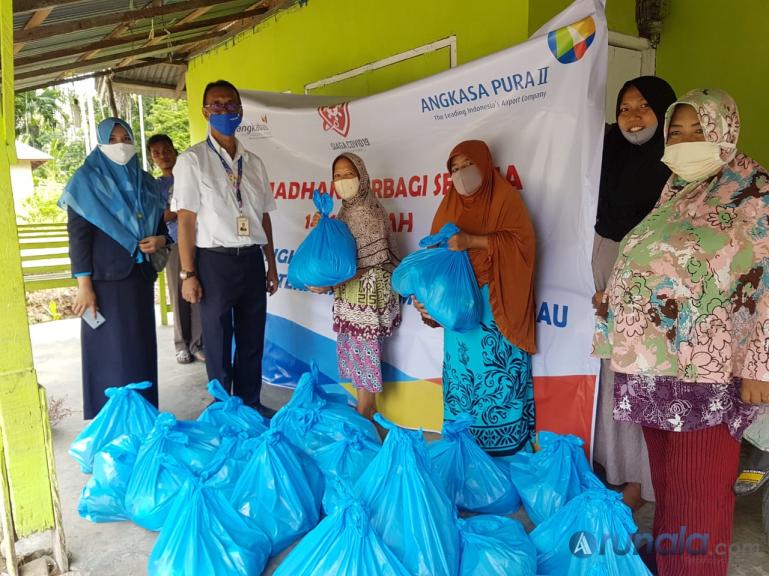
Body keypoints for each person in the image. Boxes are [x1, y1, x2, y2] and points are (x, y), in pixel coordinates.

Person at [594, 88, 769, 575]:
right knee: (669, 486)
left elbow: (767, 282)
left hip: (709, 369)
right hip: (657, 364)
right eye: (678, 131)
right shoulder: (676, 188)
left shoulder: (753, 191)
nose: (686, 141)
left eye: (699, 130)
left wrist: (762, 366)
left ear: (725, 131)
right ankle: (674, 564)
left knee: (700, 494)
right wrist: (618, 300)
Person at [414, 140, 537, 456]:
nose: (460, 174)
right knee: (462, 378)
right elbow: (433, 264)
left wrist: (473, 241)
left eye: (467, 165)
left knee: (497, 378)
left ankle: (505, 457)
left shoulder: (505, 199)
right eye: (454, 169)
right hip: (457, 313)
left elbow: (521, 244)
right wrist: (426, 301)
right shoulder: (448, 206)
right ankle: (463, 453)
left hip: (495, 304)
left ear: (484, 164)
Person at [592, 76, 676, 511]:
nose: (633, 115)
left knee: (649, 383)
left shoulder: (680, 174)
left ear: (664, 113)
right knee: (616, 379)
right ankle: (622, 471)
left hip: (658, 295)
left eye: (644, 106)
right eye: (625, 107)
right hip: (610, 273)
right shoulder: (610, 156)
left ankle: (646, 483)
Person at [172, 80, 279, 418]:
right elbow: (186, 222)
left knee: (252, 338)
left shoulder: (256, 163)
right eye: (215, 105)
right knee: (217, 341)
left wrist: (271, 265)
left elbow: (263, 217)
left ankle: (250, 403)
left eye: (230, 104)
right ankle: (222, 409)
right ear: (205, 111)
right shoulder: (193, 161)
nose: (223, 111)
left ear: (240, 110)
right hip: (213, 263)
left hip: (249, 260)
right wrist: (188, 273)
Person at [60, 117, 168, 419]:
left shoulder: (146, 182)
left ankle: (144, 414)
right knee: (109, 355)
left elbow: (162, 228)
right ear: (101, 143)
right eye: (113, 139)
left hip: (139, 278)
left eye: (126, 138)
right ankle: (111, 419)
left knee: (140, 350)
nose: (121, 145)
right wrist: (84, 286)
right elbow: (79, 238)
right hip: (104, 283)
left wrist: (160, 239)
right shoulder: (85, 182)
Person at [307, 153, 401, 419]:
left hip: (368, 295)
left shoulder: (370, 210)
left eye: (349, 174)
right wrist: (324, 227)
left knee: (365, 352)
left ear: (362, 176)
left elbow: (371, 261)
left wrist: (329, 285)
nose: (343, 180)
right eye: (337, 176)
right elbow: (342, 249)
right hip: (352, 293)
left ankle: (366, 411)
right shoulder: (345, 210)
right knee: (355, 351)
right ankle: (364, 406)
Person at [147, 134, 204, 365]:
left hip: (199, 241)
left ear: (175, 150)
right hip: (172, 243)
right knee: (178, 293)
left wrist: (180, 210)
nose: (163, 156)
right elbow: (163, 215)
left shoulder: (190, 176)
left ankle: (198, 344)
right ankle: (182, 345)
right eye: (156, 153)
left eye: (166, 150)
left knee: (199, 291)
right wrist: (182, 210)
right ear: (152, 158)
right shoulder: (155, 186)